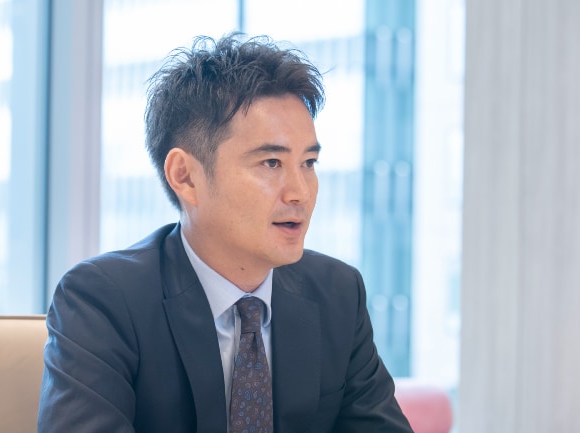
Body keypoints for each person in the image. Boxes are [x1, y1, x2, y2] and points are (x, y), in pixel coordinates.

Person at [37, 33, 413, 433]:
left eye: (308, 163)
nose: (300, 193)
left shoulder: (337, 294)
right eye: (271, 163)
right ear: (186, 177)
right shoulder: (103, 301)